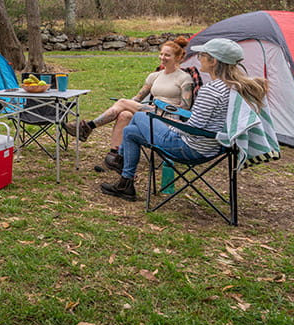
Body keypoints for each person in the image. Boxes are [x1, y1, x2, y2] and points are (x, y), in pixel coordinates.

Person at [100, 38, 268, 202]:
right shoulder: (231, 86)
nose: (199, 58)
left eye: (202, 55)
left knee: (139, 115)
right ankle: (125, 183)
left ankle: (119, 161)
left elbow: (193, 127)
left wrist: (167, 125)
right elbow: (199, 120)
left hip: (190, 148)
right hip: (215, 146)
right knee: (130, 132)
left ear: (213, 61)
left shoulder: (211, 91)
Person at [64, 36, 196, 172]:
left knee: (123, 102)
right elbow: (138, 98)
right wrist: (129, 105)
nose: (162, 57)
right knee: (125, 114)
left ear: (178, 58)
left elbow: (185, 107)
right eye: (161, 54)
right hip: (150, 113)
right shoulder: (154, 76)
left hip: (168, 118)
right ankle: (115, 155)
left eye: (167, 55)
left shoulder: (184, 78)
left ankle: (88, 127)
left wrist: (155, 108)